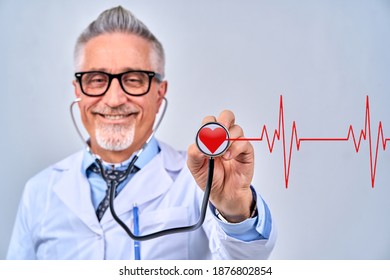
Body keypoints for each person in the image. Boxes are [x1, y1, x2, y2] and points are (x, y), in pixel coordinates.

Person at [7, 6, 276, 260]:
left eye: (133, 79)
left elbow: (243, 264)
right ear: (78, 91)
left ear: (160, 93)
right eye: (97, 79)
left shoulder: (196, 183)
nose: (113, 99)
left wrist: (235, 211)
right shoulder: (39, 192)